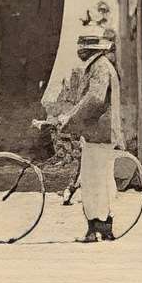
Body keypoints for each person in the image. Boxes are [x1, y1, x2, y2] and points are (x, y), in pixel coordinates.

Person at [51, 24, 123, 242]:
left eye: (82, 46)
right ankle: (104, 227)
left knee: (93, 181)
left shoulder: (99, 67)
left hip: (98, 134)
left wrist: (70, 119)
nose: (79, 50)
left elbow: (94, 100)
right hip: (101, 134)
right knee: (102, 180)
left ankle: (95, 228)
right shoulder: (100, 65)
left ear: (91, 48)